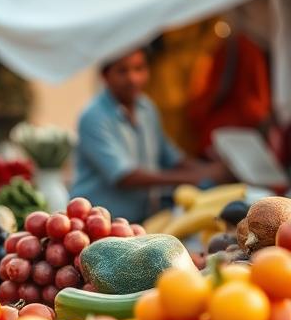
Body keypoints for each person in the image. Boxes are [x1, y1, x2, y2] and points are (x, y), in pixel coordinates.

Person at [71, 49, 227, 223]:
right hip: (97, 222)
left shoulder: (146, 108)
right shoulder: (93, 116)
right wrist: (196, 177)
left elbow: (171, 156)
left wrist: (211, 171)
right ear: (105, 76)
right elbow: (125, 176)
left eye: (139, 68)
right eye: (122, 71)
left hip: (140, 220)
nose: (133, 78)